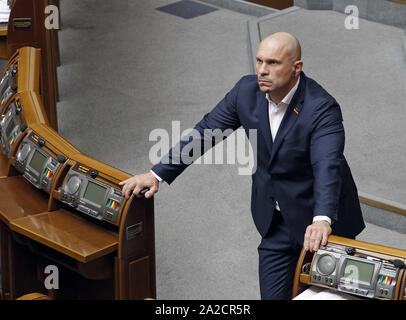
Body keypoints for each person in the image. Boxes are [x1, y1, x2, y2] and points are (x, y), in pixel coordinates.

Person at [119, 32, 365, 299]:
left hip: (322, 225)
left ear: (297, 68)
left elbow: (326, 165)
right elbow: (205, 132)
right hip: (277, 220)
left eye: (272, 63)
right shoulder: (245, 92)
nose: (262, 70)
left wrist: (322, 220)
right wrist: (157, 174)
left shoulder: (322, 108)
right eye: (259, 61)